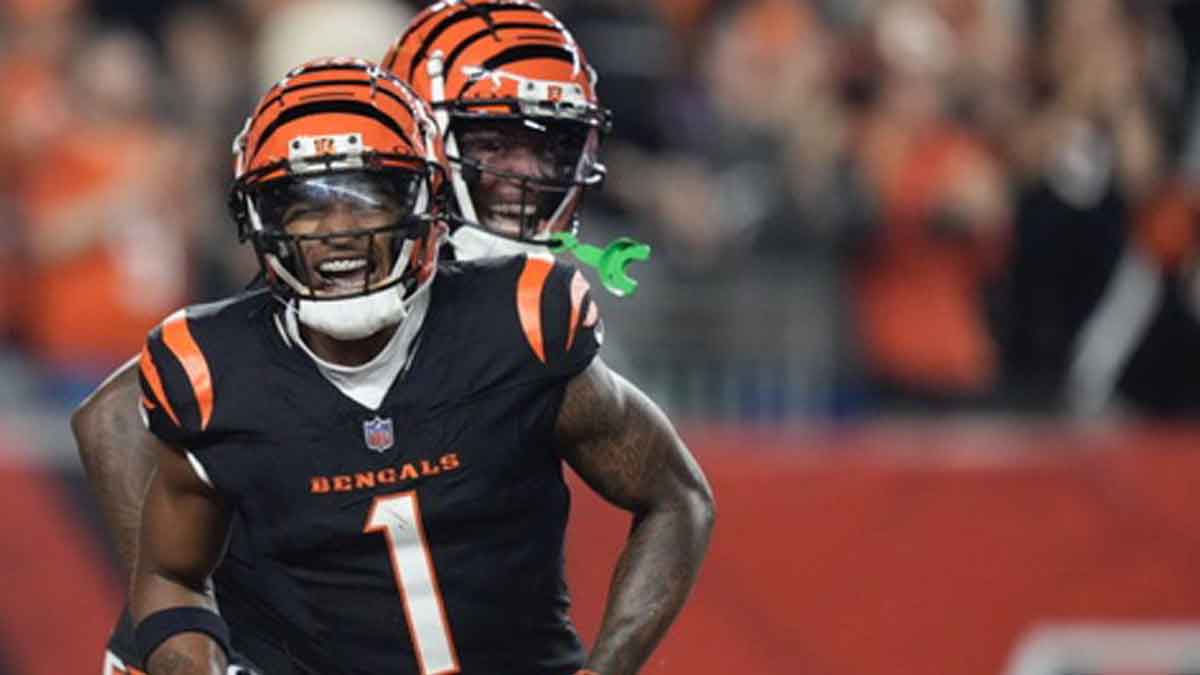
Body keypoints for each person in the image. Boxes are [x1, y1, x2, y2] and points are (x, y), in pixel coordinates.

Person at [73, 2, 642, 672]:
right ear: (423, 131)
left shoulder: (499, 293)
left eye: (551, 144)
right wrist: (190, 609)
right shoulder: (363, 254)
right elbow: (114, 420)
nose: (527, 172)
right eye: (494, 142)